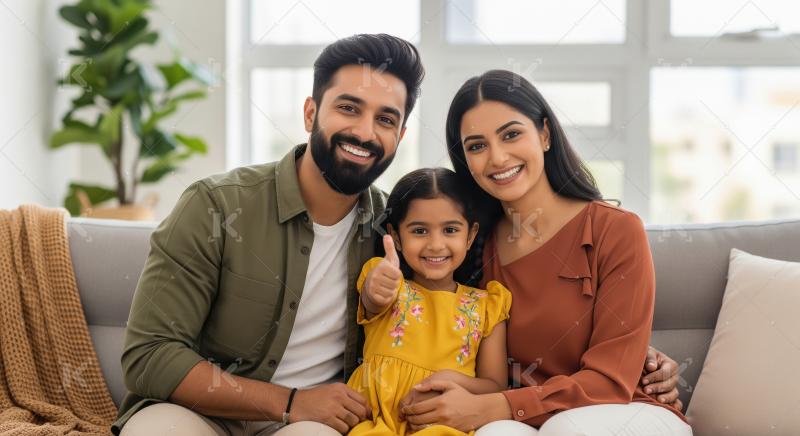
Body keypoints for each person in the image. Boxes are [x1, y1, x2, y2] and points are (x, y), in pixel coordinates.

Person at [115, 33, 682, 435]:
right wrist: (291, 402)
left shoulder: (407, 229)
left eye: (385, 118)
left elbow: (485, 330)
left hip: (329, 424)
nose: (365, 132)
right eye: (348, 109)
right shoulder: (220, 207)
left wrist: (634, 358)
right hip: (216, 413)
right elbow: (147, 357)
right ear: (311, 112)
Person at [398, 69, 692, 435]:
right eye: (477, 146)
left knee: (567, 429)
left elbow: (611, 380)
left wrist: (635, 355)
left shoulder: (615, 230)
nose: (498, 157)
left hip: (624, 410)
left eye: (511, 134)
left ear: (545, 134)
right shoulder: (471, 245)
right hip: (518, 417)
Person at [347, 168, 511, 435]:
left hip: (441, 424)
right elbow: (373, 297)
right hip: (373, 421)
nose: (436, 245)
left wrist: (452, 379)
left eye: (450, 230)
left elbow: (495, 385)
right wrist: (378, 288)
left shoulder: (487, 305)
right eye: (420, 231)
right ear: (396, 236)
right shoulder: (388, 280)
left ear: (470, 236)